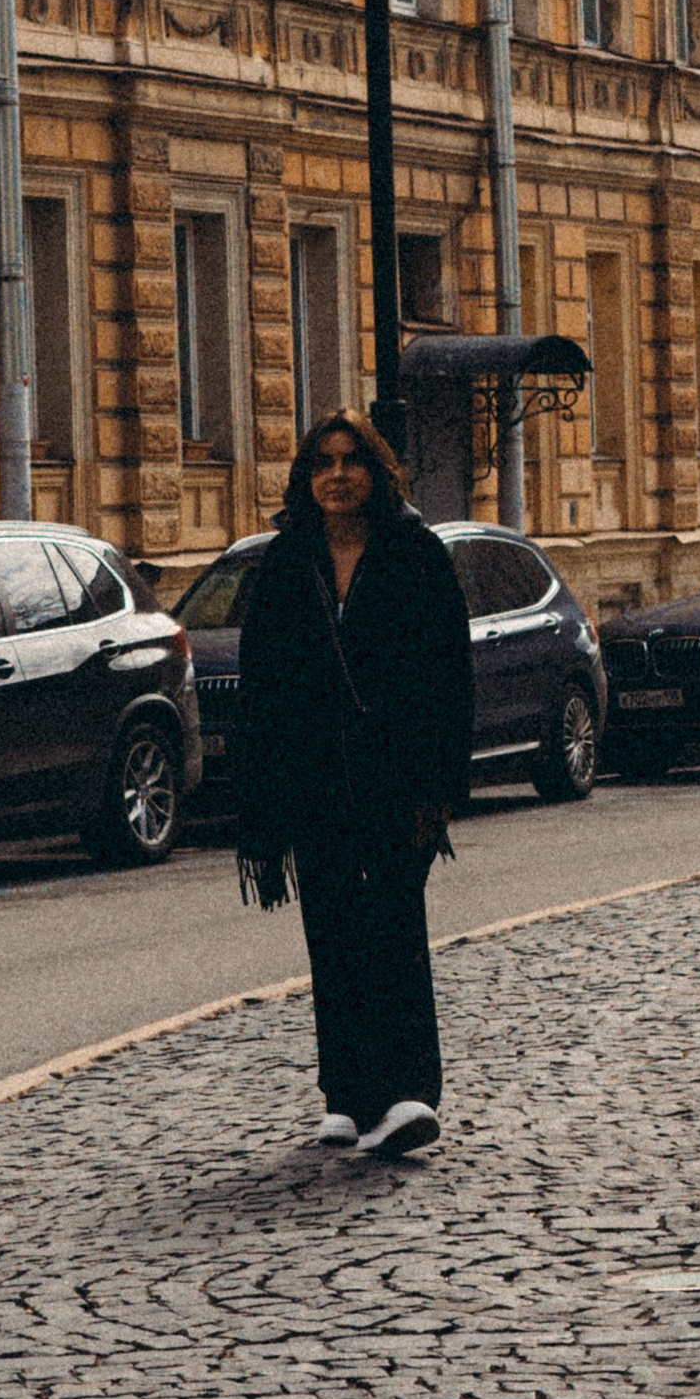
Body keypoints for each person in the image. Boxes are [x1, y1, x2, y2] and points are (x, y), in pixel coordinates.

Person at [233, 409, 473, 1159]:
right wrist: (262, 798)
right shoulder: (285, 562)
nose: (338, 475)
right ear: (308, 479)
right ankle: (344, 1094)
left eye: (352, 461)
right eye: (324, 463)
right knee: (332, 932)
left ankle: (406, 1093)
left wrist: (438, 784)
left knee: (394, 927)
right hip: (313, 778)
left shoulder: (414, 554)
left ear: (377, 471)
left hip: (398, 779)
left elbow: (449, 675)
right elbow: (261, 683)